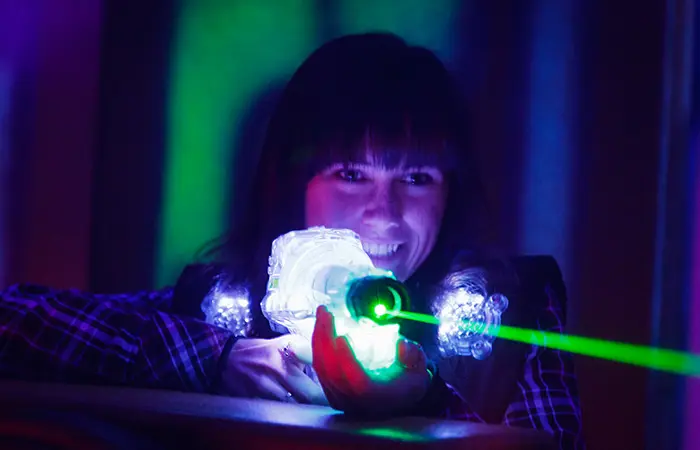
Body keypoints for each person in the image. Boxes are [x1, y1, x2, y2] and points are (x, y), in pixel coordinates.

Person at [0, 33, 584, 449]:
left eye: (416, 177)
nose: (385, 211)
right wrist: (216, 360)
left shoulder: (507, 315)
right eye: (351, 174)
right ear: (292, 183)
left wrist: (420, 405)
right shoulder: (226, 305)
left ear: (449, 194)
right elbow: (15, 320)